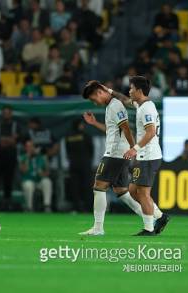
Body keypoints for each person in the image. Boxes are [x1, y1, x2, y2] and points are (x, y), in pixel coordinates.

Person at [79, 80, 153, 235]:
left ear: (100, 92)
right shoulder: (111, 106)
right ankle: (153, 218)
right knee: (122, 192)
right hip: (119, 152)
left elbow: (126, 129)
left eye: (94, 99)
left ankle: (98, 228)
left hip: (115, 153)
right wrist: (94, 123)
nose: (94, 103)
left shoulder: (115, 105)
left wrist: (134, 149)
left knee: (99, 186)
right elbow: (113, 130)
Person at [102, 76, 170, 236]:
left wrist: (135, 148)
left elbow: (151, 131)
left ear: (139, 91)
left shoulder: (146, 109)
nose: (129, 91)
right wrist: (109, 91)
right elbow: (125, 99)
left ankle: (149, 228)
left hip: (148, 155)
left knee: (143, 194)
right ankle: (160, 216)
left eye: (132, 88)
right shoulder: (142, 105)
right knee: (133, 191)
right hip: (145, 156)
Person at [65, 118, 94, 212]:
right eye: (81, 124)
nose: (83, 126)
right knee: (86, 186)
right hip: (84, 164)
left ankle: (76, 207)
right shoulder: (86, 136)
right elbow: (91, 150)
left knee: (75, 187)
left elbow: (67, 150)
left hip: (73, 164)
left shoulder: (68, 136)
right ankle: (87, 207)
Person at [19, 139, 52, 212]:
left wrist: (42, 174)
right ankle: (29, 207)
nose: (30, 148)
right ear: (25, 148)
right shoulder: (23, 157)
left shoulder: (42, 157)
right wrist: (27, 157)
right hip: (28, 180)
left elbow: (48, 172)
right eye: (28, 146)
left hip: (39, 180)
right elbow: (22, 170)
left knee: (47, 182)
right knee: (28, 185)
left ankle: (47, 205)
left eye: (31, 146)